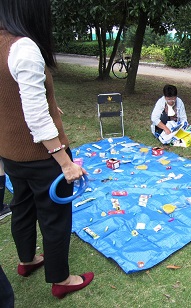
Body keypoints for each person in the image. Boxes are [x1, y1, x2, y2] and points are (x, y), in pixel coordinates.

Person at [0, 0, 93, 299]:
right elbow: (37, 118)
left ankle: (27, 260)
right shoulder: (23, 47)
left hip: (10, 153)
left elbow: (13, 96)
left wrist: (51, 105)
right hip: (41, 157)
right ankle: (61, 279)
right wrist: (66, 163)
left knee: (22, 207)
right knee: (54, 216)